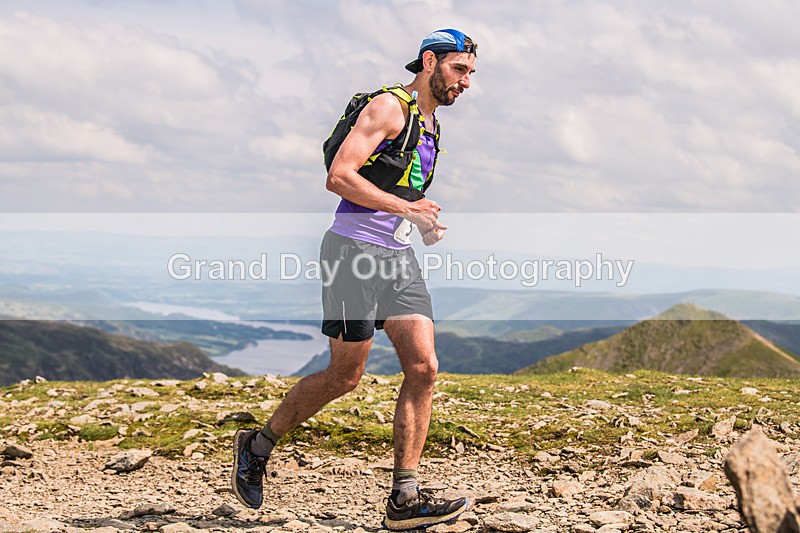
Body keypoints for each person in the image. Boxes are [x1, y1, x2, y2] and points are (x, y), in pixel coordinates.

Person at [232, 28, 477, 531]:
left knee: (424, 367)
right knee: (345, 377)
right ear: (429, 62)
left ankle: (404, 496)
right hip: (352, 255)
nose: (466, 82)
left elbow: (396, 193)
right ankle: (257, 445)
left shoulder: (431, 125)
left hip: (397, 257)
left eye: (471, 73)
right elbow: (340, 176)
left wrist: (420, 222)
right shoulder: (389, 107)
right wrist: (407, 209)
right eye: (459, 69)